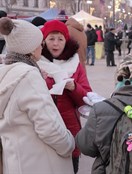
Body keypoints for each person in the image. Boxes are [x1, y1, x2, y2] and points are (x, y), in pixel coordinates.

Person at [0, 17, 75, 174]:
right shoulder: (28, 76)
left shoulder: (7, 72)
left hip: (16, 160)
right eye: (40, 44)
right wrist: (68, 145)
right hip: (39, 162)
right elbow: (49, 126)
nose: (42, 47)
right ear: (31, 48)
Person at [38, 20, 92, 174]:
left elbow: (86, 98)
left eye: (60, 39)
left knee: (70, 168)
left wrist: (74, 87)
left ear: (66, 41)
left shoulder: (75, 64)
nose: (56, 43)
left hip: (70, 128)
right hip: (43, 129)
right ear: (44, 41)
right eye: (51, 39)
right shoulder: (36, 63)